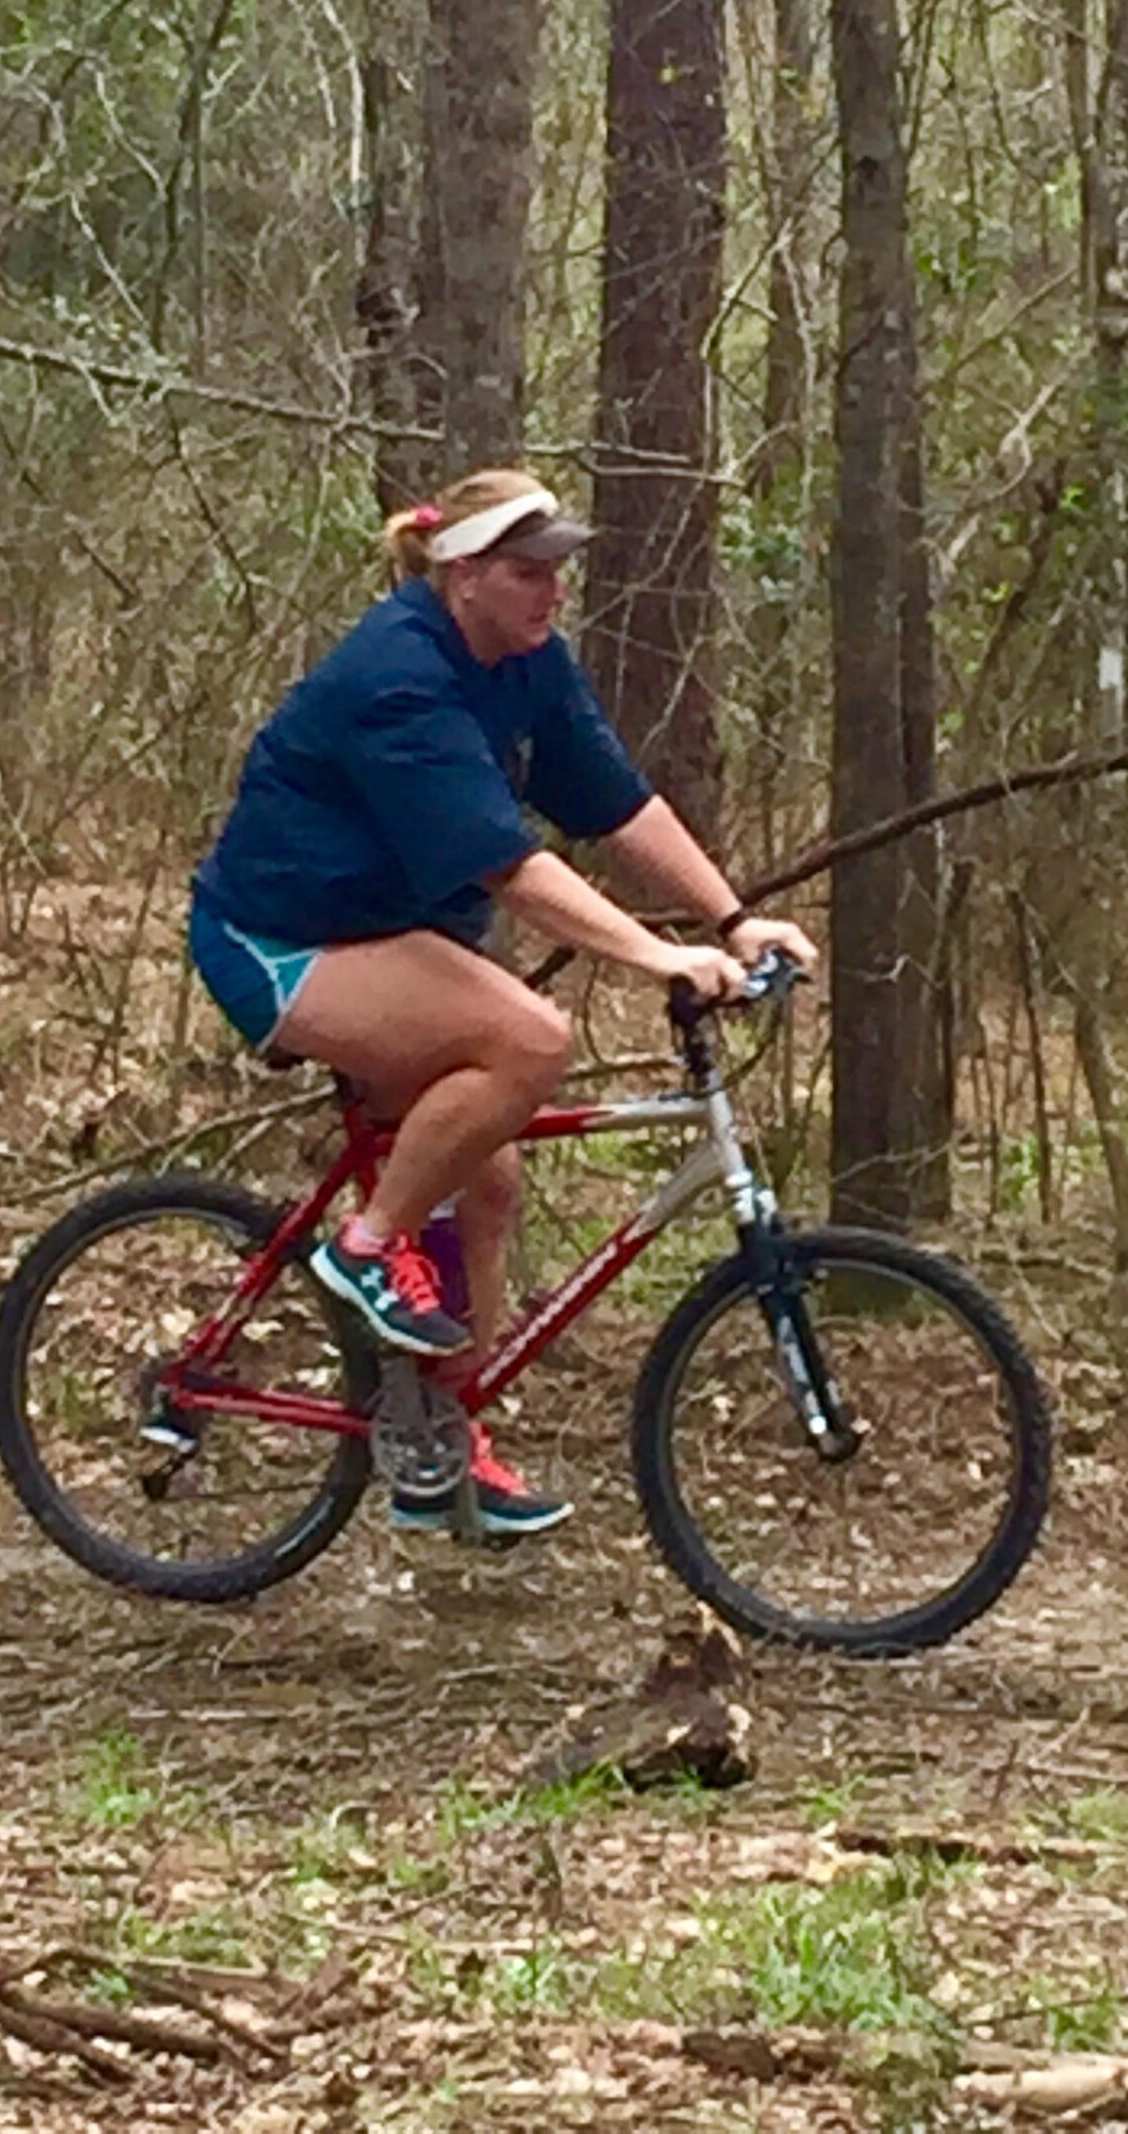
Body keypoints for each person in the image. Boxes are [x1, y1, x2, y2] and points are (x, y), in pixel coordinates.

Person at [187, 466, 818, 1541]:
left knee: (487, 1182)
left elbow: (619, 803)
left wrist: (729, 919)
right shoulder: (398, 674)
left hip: (391, 930)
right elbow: (508, 866)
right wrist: (653, 959)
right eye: (527, 572)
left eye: (557, 571)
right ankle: (364, 1246)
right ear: (462, 574)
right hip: (281, 939)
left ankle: (436, 1445)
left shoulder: (528, 663)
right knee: (530, 1040)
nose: (550, 592)